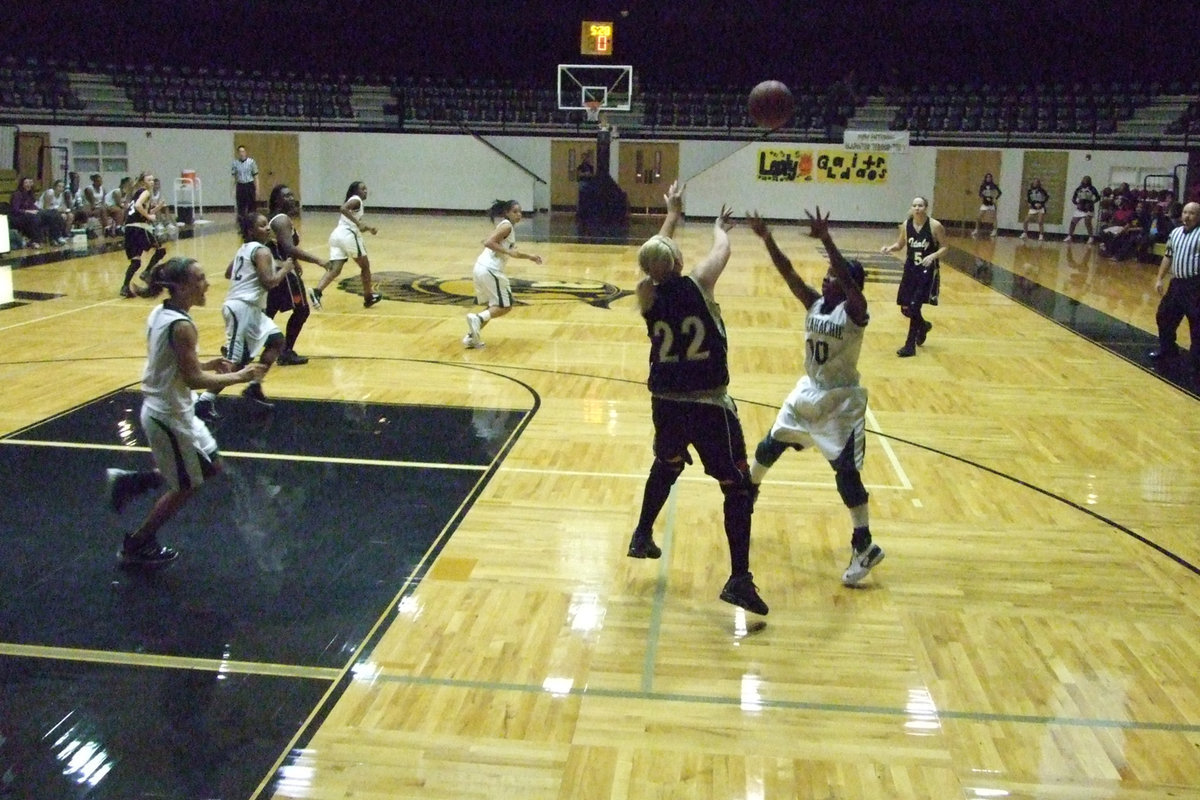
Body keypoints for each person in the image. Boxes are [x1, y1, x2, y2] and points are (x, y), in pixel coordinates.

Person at [625, 181, 767, 616]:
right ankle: (739, 579)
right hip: (707, 404)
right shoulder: (700, 283)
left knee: (667, 463)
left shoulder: (646, 293)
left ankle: (642, 533)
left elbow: (655, 256)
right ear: (679, 261)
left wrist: (672, 214)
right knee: (736, 485)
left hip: (665, 402)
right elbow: (722, 250)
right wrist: (718, 226)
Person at [746, 207, 883, 586]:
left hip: (840, 402)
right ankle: (748, 492)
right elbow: (789, 272)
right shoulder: (815, 303)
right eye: (825, 275)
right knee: (769, 445)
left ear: (847, 284)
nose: (825, 280)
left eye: (832, 276)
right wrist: (767, 238)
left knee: (846, 475)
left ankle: (864, 544)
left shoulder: (855, 312)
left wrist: (826, 239)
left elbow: (849, 283)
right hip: (809, 391)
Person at [105, 257, 266, 567]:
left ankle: (133, 482)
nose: (207, 284)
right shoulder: (182, 327)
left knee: (212, 466)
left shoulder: (162, 313)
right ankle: (137, 544)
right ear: (180, 287)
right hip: (167, 415)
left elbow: (170, 362)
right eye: (200, 279)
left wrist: (205, 364)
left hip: (176, 409)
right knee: (188, 485)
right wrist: (240, 376)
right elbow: (193, 380)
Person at [193, 213, 293, 422]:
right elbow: (269, 282)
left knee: (277, 341)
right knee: (234, 361)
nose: (267, 228)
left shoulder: (245, 249)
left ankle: (254, 386)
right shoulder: (262, 251)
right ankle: (204, 401)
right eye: (262, 225)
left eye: (267, 224)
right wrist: (285, 269)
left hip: (251, 309)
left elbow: (229, 272)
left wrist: (271, 264)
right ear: (250, 231)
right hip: (241, 308)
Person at [463, 199, 543, 348]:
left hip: (481, 268)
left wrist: (530, 256)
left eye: (520, 212)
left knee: (493, 306)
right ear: (507, 213)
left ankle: (471, 337)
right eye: (515, 212)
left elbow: (513, 251)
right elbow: (488, 242)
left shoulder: (506, 227)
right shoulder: (506, 226)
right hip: (490, 269)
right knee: (505, 306)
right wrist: (507, 251)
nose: (519, 214)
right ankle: (478, 319)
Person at [265, 184, 327, 365]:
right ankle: (286, 351)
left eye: (292, 195)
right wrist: (318, 260)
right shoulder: (281, 220)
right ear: (277, 200)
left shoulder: (279, 219)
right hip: (284, 274)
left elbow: (280, 247)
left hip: (276, 270)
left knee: (268, 311)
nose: (291, 199)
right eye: (286, 196)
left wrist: (296, 261)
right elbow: (289, 248)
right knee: (302, 310)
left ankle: (241, 346)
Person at [881, 196, 948, 357]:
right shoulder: (906, 224)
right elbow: (900, 244)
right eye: (915, 205)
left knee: (914, 306)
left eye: (920, 205)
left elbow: (945, 247)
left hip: (926, 272)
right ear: (911, 208)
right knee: (905, 308)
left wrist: (933, 256)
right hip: (910, 270)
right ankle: (923, 326)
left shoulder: (935, 226)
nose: (917, 208)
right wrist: (890, 248)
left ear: (926, 208)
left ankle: (909, 346)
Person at [309, 181, 381, 309]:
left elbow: (355, 223)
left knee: (335, 269)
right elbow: (343, 209)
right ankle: (368, 297)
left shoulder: (356, 204)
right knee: (365, 266)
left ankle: (317, 291)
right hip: (348, 236)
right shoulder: (356, 199)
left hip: (337, 236)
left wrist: (369, 228)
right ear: (356, 191)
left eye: (366, 188)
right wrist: (358, 224)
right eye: (362, 188)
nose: (365, 191)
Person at [1148, 202, 1200, 369]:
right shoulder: (1175, 232)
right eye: (1185, 212)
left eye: (1192, 213)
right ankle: (1168, 349)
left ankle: (1196, 359)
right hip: (1177, 283)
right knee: (1164, 316)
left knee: (1196, 322)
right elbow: (1168, 256)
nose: (1187, 216)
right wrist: (1159, 278)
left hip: (1195, 285)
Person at [119, 173, 169, 298]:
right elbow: (138, 206)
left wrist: (158, 208)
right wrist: (149, 217)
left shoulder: (137, 193)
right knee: (160, 250)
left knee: (135, 262)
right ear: (143, 181)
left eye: (152, 179)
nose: (152, 182)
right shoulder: (145, 192)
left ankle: (125, 287)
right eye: (149, 180)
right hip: (139, 228)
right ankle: (146, 273)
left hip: (130, 228)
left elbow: (141, 210)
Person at [10, 176, 67, 247]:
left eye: (29, 183)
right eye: (26, 183)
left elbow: (33, 206)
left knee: (53, 213)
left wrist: (40, 210)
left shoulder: (29, 195)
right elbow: (15, 210)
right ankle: (35, 240)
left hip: (31, 214)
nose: (28, 184)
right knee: (35, 217)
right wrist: (28, 211)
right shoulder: (17, 194)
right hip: (19, 217)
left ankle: (55, 237)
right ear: (22, 184)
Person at [1065, 176, 1101, 243]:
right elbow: (1074, 197)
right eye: (1084, 179)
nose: (1085, 181)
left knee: (1087, 222)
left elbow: (1098, 197)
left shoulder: (1092, 188)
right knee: (1073, 222)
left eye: (1087, 180)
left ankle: (1091, 237)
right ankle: (1069, 236)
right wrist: (1076, 203)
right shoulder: (1079, 188)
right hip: (1080, 208)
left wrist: (1092, 202)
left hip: (1088, 208)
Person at [231, 145, 259, 218]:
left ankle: (252, 220)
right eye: (240, 152)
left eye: (243, 151)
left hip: (249, 185)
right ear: (238, 153)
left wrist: (257, 189)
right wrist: (233, 189)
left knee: (251, 205)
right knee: (241, 206)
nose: (241, 153)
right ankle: (241, 221)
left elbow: (256, 176)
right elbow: (234, 177)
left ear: (245, 152)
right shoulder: (235, 163)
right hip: (240, 186)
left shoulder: (251, 162)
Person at [972, 172, 1002, 238]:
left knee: (993, 218)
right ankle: (976, 229)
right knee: (978, 217)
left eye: (990, 177)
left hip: (991, 204)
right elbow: (980, 194)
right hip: (985, 204)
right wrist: (985, 196)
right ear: (985, 178)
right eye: (987, 177)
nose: (988, 178)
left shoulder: (993, 185)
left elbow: (1000, 192)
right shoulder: (983, 186)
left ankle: (994, 230)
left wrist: (995, 198)